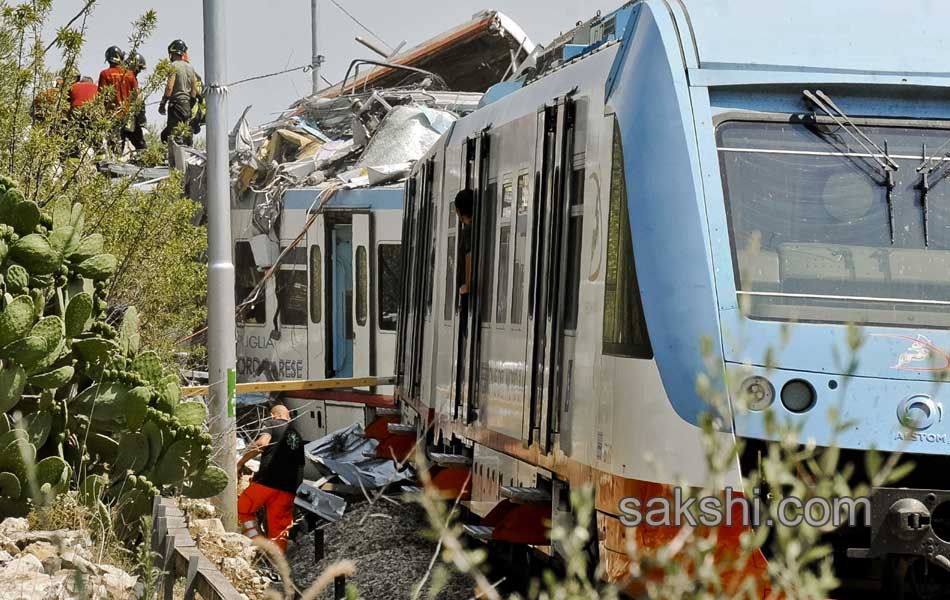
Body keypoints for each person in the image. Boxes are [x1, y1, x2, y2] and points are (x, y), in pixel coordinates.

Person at [236, 404, 304, 552]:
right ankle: (276, 561)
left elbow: (262, 443)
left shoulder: (271, 423)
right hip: (289, 488)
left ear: (273, 415)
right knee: (279, 528)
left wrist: (240, 463)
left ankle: (257, 542)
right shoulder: (297, 435)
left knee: (243, 509)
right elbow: (300, 466)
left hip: (266, 482)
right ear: (289, 418)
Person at [159, 39, 198, 146]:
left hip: (175, 105)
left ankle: (175, 160)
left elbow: (169, 87)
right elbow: (194, 89)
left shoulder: (174, 66)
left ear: (172, 52)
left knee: (172, 136)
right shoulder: (191, 67)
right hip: (187, 105)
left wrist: (163, 103)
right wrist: (190, 104)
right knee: (186, 134)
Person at [121, 51, 148, 151]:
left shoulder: (124, 76)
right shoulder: (129, 77)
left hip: (124, 116)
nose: (139, 71)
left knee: (123, 142)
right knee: (139, 143)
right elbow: (138, 99)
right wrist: (142, 120)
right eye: (138, 69)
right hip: (126, 116)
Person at [455, 189, 475, 298]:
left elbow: (468, 257)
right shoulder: (476, 227)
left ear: (458, 211)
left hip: (467, 291)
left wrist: (466, 287)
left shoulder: (468, 231)